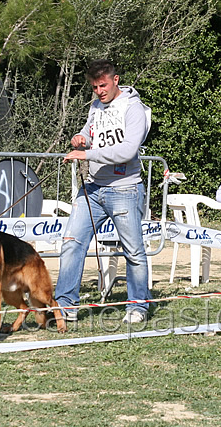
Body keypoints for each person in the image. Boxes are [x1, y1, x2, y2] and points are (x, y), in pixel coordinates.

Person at [55, 59, 152, 323]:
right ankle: (65, 308)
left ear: (116, 79)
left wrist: (87, 153)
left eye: (103, 85)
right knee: (71, 243)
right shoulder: (96, 107)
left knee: (133, 251)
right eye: (95, 87)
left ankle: (138, 306)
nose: (99, 91)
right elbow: (90, 132)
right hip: (93, 189)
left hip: (125, 189)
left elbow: (127, 150)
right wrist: (80, 137)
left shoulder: (134, 109)